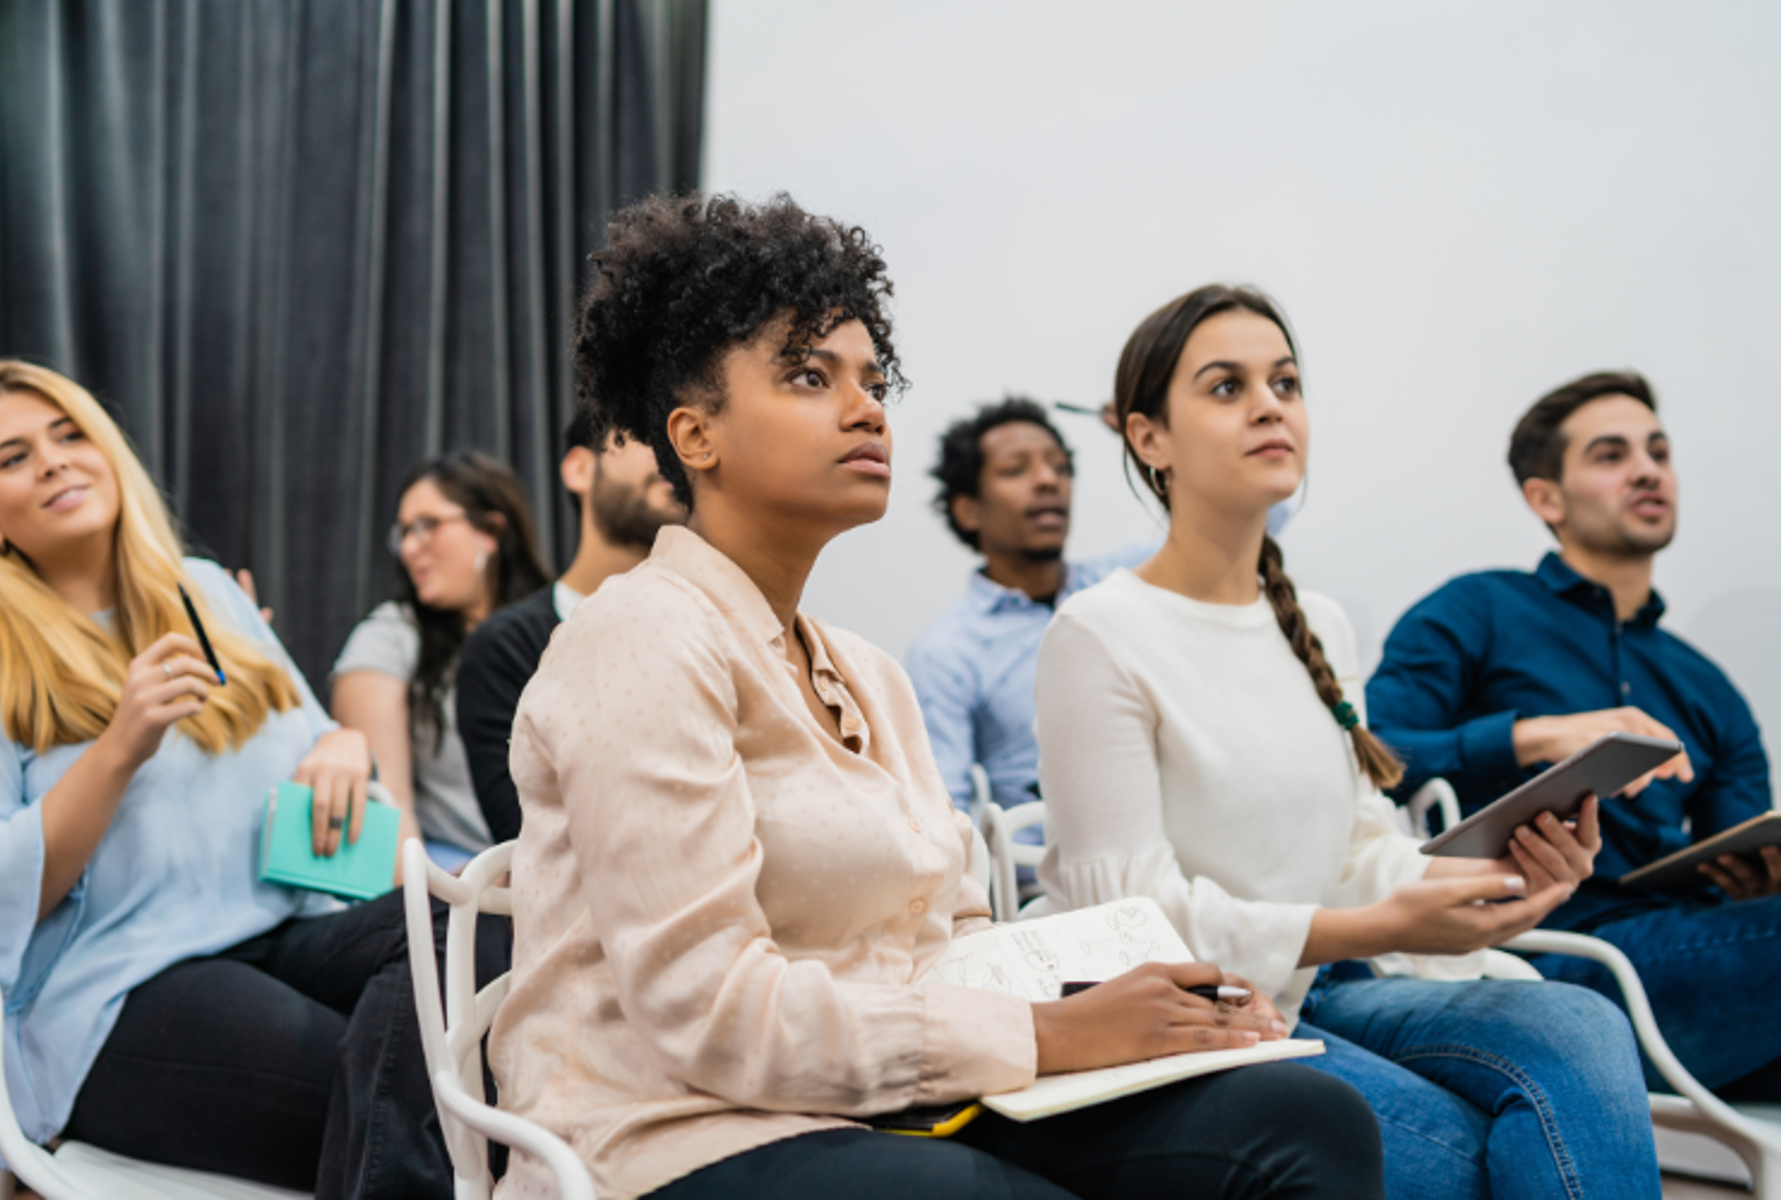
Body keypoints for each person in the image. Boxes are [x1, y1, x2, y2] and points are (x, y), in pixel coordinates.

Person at [490, 193, 1384, 1200]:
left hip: (911, 1104)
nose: (867, 406)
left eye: (873, 379)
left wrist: (1136, 998)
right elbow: (708, 1010)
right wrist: (1043, 1032)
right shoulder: (639, 637)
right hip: (677, 1132)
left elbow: (953, 932)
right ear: (695, 436)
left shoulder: (871, 674)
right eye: (807, 376)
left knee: (1305, 1121)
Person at [1033, 285, 1658, 1200]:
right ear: (1148, 438)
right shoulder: (1098, 636)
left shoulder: (1314, 622)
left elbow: (1359, 848)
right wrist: (1382, 926)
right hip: (1196, 1020)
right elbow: (1129, 920)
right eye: (1225, 386)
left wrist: (1502, 878)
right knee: (1462, 1155)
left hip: (1323, 985)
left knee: (1582, 1025)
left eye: (1285, 381)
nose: (1269, 404)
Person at [0, 359, 467, 1198]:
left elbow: (311, 737)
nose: (54, 461)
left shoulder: (202, 593)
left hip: (285, 926)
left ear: (108, 453)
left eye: (69, 434)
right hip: (120, 987)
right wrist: (119, 745)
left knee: (473, 933)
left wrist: (344, 743)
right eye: (14, 457)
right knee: (447, 1102)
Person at [1366, 369, 1781, 1099]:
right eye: (1612, 455)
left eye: (1658, 451)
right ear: (1545, 497)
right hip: (1537, 958)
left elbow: (1739, 846)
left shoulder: (1709, 687)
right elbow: (1370, 756)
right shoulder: (1477, 610)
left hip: (1699, 961)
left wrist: (1756, 878)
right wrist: (1536, 737)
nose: (1648, 469)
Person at [908, 399, 1293, 823]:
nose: (1047, 480)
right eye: (1016, 469)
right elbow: (943, 816)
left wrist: (1165, 440)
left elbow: (1263, 514)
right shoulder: (945, 653)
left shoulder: (1123, 581)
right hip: (1037, 880)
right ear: (969, 510)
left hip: (1178, 854)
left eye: (1059, 467)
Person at [457, 410, 683, 843]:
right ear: (580, 468)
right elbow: (531, 840)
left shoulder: (723, 630)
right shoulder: (506, 648)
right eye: (650, 434)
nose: (675, 455)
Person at [331, 451, 550, 868]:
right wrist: (447, 905)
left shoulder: (557, 626)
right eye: (404, 533)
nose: (411, 548)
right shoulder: (389, 637)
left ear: (491, 530)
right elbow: (390, 817)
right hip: (460, 891)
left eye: (428, 526)